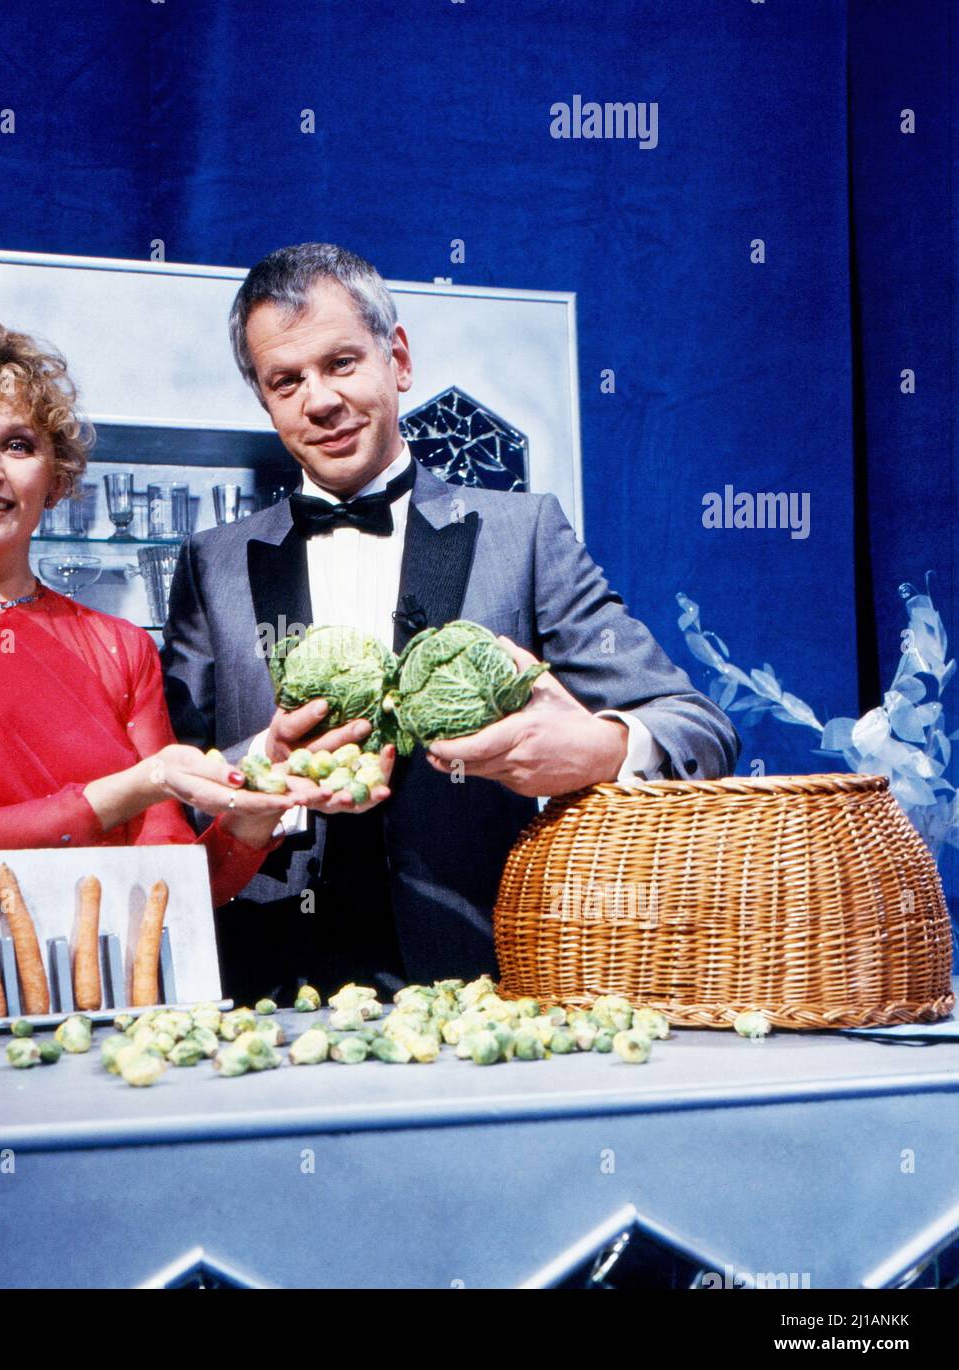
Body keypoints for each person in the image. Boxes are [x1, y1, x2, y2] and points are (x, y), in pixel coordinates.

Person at [162, 243, 740, 1000]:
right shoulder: (213, 562)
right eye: (286, 381)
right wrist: (266, 763)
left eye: (341, 363)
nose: (320, 400)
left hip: (483, 981)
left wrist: (597, 749)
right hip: (264, 990)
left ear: (397, 359)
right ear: (266, 401)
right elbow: (171, 783)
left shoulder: (522, 536)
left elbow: (699, 727)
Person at [0, 324, 330, 906]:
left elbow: (176, 890)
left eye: (18, 445)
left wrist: (258, 802)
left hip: (127, 988)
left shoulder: (122, 646)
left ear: (55, 481)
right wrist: (143, 782)